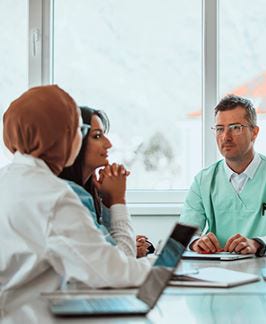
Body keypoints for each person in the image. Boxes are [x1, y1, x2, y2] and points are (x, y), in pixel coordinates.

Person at [0, 85, 151, 311]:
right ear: (61, 137)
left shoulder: (8, 178)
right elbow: (110, 272)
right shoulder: (53, 195)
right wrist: (161, 267)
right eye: (76, 130)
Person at [180, 94, 266, 256]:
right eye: (219, 129)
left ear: (254, 132)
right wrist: (196, 242)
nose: (225, 137)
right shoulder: (203, 180)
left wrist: (257, 244)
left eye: (235, 127)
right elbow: (184, 235)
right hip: (216, 272)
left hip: (264, 271)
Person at [59, 106, 153, 258]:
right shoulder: (68, 198)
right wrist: (118, 200)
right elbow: (121, 261)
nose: (108, 143)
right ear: (75, 141)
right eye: (97, 136)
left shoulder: (86, 194)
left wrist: (108, 202)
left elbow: (109, 247)